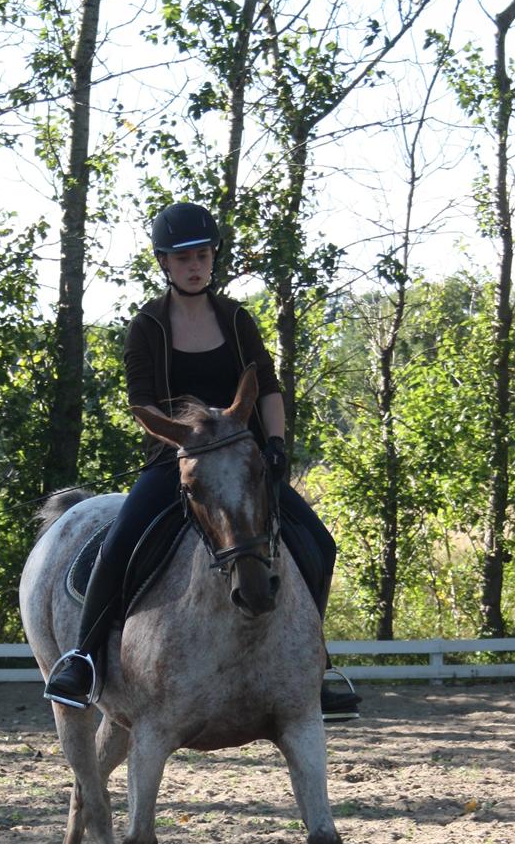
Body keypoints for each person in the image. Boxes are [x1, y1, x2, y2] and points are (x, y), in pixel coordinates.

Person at [43, 201, 359, 721]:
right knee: (119, 545)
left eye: (204, 255)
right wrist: (180, 440)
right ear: (164, 263)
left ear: (214, 259)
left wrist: (275, 444)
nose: (195, 265)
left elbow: (268, 388)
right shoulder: (147, 324)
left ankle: (316, 666)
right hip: (177, 462)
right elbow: (141, 402)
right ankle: (83, 658)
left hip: (242, 466)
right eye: (184, 257)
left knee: (318, 543)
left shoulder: (236, 320)